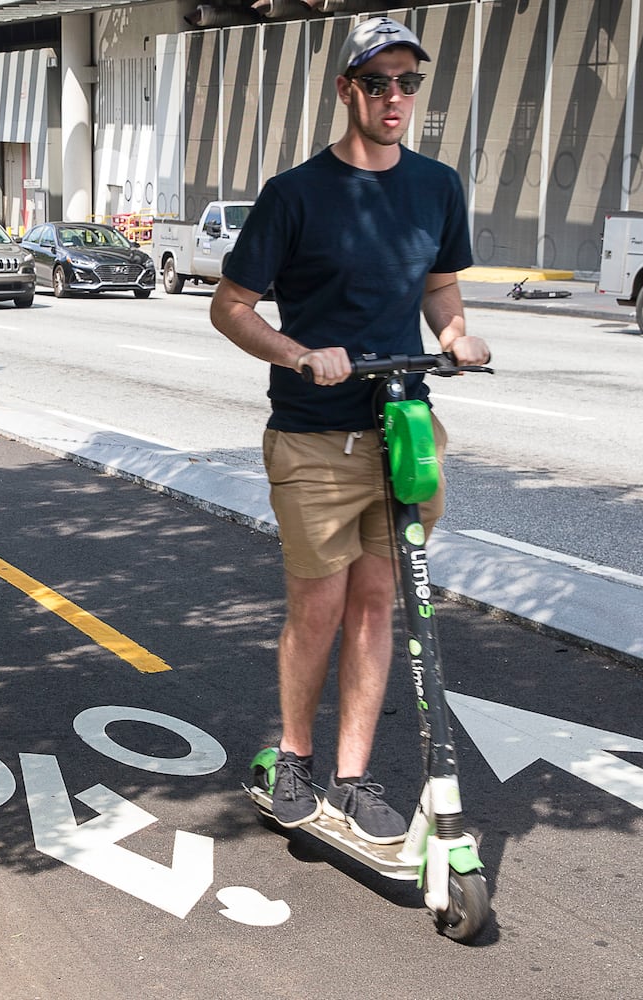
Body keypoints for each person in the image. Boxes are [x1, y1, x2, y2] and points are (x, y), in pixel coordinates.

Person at [210, 15, 491, 842]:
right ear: (346, 91)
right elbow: (231, 308)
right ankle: (294, 755)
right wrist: (300, 355)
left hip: (402, 425)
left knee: (380, 604)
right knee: (320, 608)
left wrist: (454, 335)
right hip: (314, 434)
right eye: (378, 83)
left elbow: (440, 287)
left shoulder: (436, 186)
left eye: (408, 82)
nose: (395, 97)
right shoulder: (295, 194)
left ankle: (354, 775)